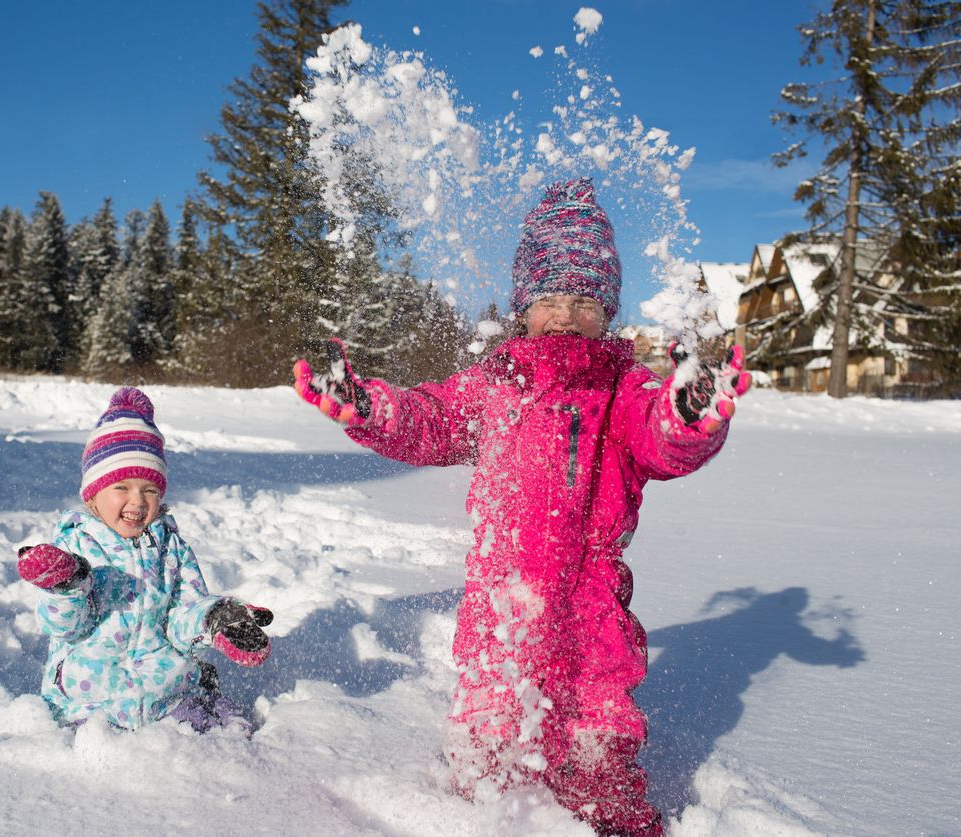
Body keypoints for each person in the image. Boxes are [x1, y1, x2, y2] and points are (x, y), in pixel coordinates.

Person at [292, 178, 750, 836]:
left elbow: (660, 437)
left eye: (584, 299)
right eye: (549, 297)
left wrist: (690, 415)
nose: (565, 314)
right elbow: (430, 420)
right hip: (502, 600)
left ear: (609, 309)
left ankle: (608, 817)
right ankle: (490, 813)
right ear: (523, 305)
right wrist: (370, 408)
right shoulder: (494, 383)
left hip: (590, 600)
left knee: (597, 738)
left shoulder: (624, 386)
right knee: (491, 737)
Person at [16, 386, 274, 732]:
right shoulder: (75, 546)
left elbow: (183, 612)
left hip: (167, 694)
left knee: (232, 733)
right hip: (91, 701)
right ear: (93, 494)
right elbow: (65, 628)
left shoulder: (172, 548)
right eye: (121, 488)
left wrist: (213, 620)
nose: (137, 502)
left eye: (149, 489)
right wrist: (66, 586)